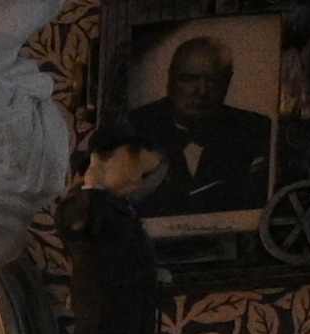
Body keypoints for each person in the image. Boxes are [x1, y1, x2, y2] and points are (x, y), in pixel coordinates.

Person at [108, 25, 273, 218]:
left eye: (213, 80)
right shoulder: (135, 127)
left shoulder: (256, 129)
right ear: (170, 80)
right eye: (189, 79)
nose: (201, 91)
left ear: (227, 82)